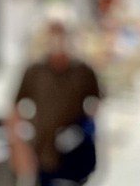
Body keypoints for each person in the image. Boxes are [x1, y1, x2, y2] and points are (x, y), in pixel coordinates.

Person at [8, 21, 101, 186]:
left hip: (76, 154)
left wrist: (84, 128)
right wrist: (19, 146)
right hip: (45, 153)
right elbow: (15, 108)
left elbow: (97, 101)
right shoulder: (35, 71)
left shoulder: (83, 70)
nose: (57, 39)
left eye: (61, 33)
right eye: (53, 33)